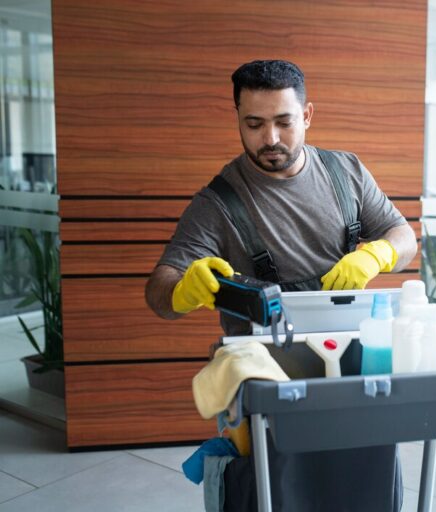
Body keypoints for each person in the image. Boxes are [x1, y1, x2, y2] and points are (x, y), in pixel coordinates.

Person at [145, 59, 415, 511]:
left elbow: (401, 234)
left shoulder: (346, 172)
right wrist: (184, 288)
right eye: (254, 124)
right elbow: (159, 293)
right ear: (237, 119)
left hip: (352, 365)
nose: (269, 138)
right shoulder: (218, 203)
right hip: (266, 385)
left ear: (307, 115)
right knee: (277, 494)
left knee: (364, 484)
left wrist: (377, 254)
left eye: (283, 122)